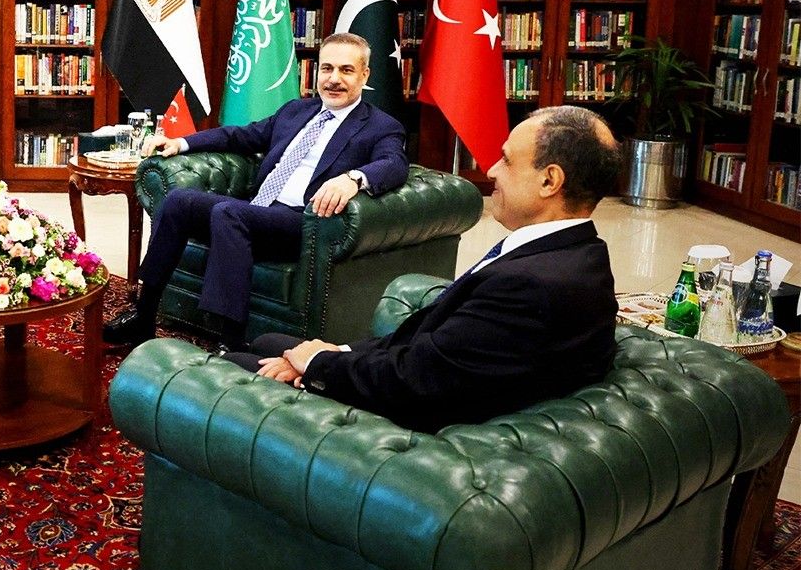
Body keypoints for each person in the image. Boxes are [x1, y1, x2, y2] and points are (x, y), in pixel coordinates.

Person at [227, 105, 624, 434]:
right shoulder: (581, 254)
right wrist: (339, 351)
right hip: (422, 379)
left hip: (406, 423)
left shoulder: (529, 286)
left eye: (506, 160)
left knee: (229, 371)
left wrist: (318, 366)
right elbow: (439, 350)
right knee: (269, 342)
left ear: (549, 180)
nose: (491, 172)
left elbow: (417, 379)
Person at [105, 33, 409, 348]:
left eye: (346, 70)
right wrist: (181, 143)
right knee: (179, 201)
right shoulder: (296, 111)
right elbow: (241, 136)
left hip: (303, 223)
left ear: (364, 75)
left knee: (229, 212)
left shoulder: (380, 126)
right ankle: (144, 315)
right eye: (327, 68)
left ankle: (230, 342)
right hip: (258, 210)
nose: (334, 79)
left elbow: (395, 163)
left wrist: (353, 178)